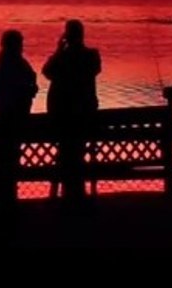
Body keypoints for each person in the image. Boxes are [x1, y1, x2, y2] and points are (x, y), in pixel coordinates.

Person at [42, 19, 101, 207]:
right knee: (76, 152)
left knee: (67, 153)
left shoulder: (63, 58)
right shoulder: (92, 56)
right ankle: (77, 195)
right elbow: (95, 70)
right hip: (85, 117)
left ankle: (70, 196)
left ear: (67, 35)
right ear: (82, 35)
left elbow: (47, 71)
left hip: (62, 117)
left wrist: (59, 49)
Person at [0, 29, 38, 217]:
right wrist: (29, 89)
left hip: (8, 117)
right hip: (12, 118)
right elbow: (27, 83)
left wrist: (29, 88)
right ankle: (6, 202)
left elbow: (30, 81)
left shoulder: (5, 63)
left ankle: (6, 202)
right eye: (20, 43)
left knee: (7, 161)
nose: (22, 46)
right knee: (8, 161)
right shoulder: (12, 63)